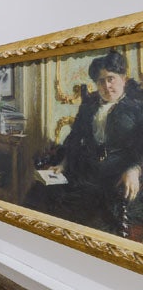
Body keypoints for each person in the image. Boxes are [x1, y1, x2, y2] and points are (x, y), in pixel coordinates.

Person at [34, 50, 143, 236]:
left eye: (111, 79)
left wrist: (135, 169)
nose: (107, 86)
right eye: (101, 81)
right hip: (89, 172)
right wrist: (63, 163)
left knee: (97, 220)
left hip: (121, 177)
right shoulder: (89, 106)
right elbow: (75, 138)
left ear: (123, 78)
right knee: (43, 196)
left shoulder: (137, 108)